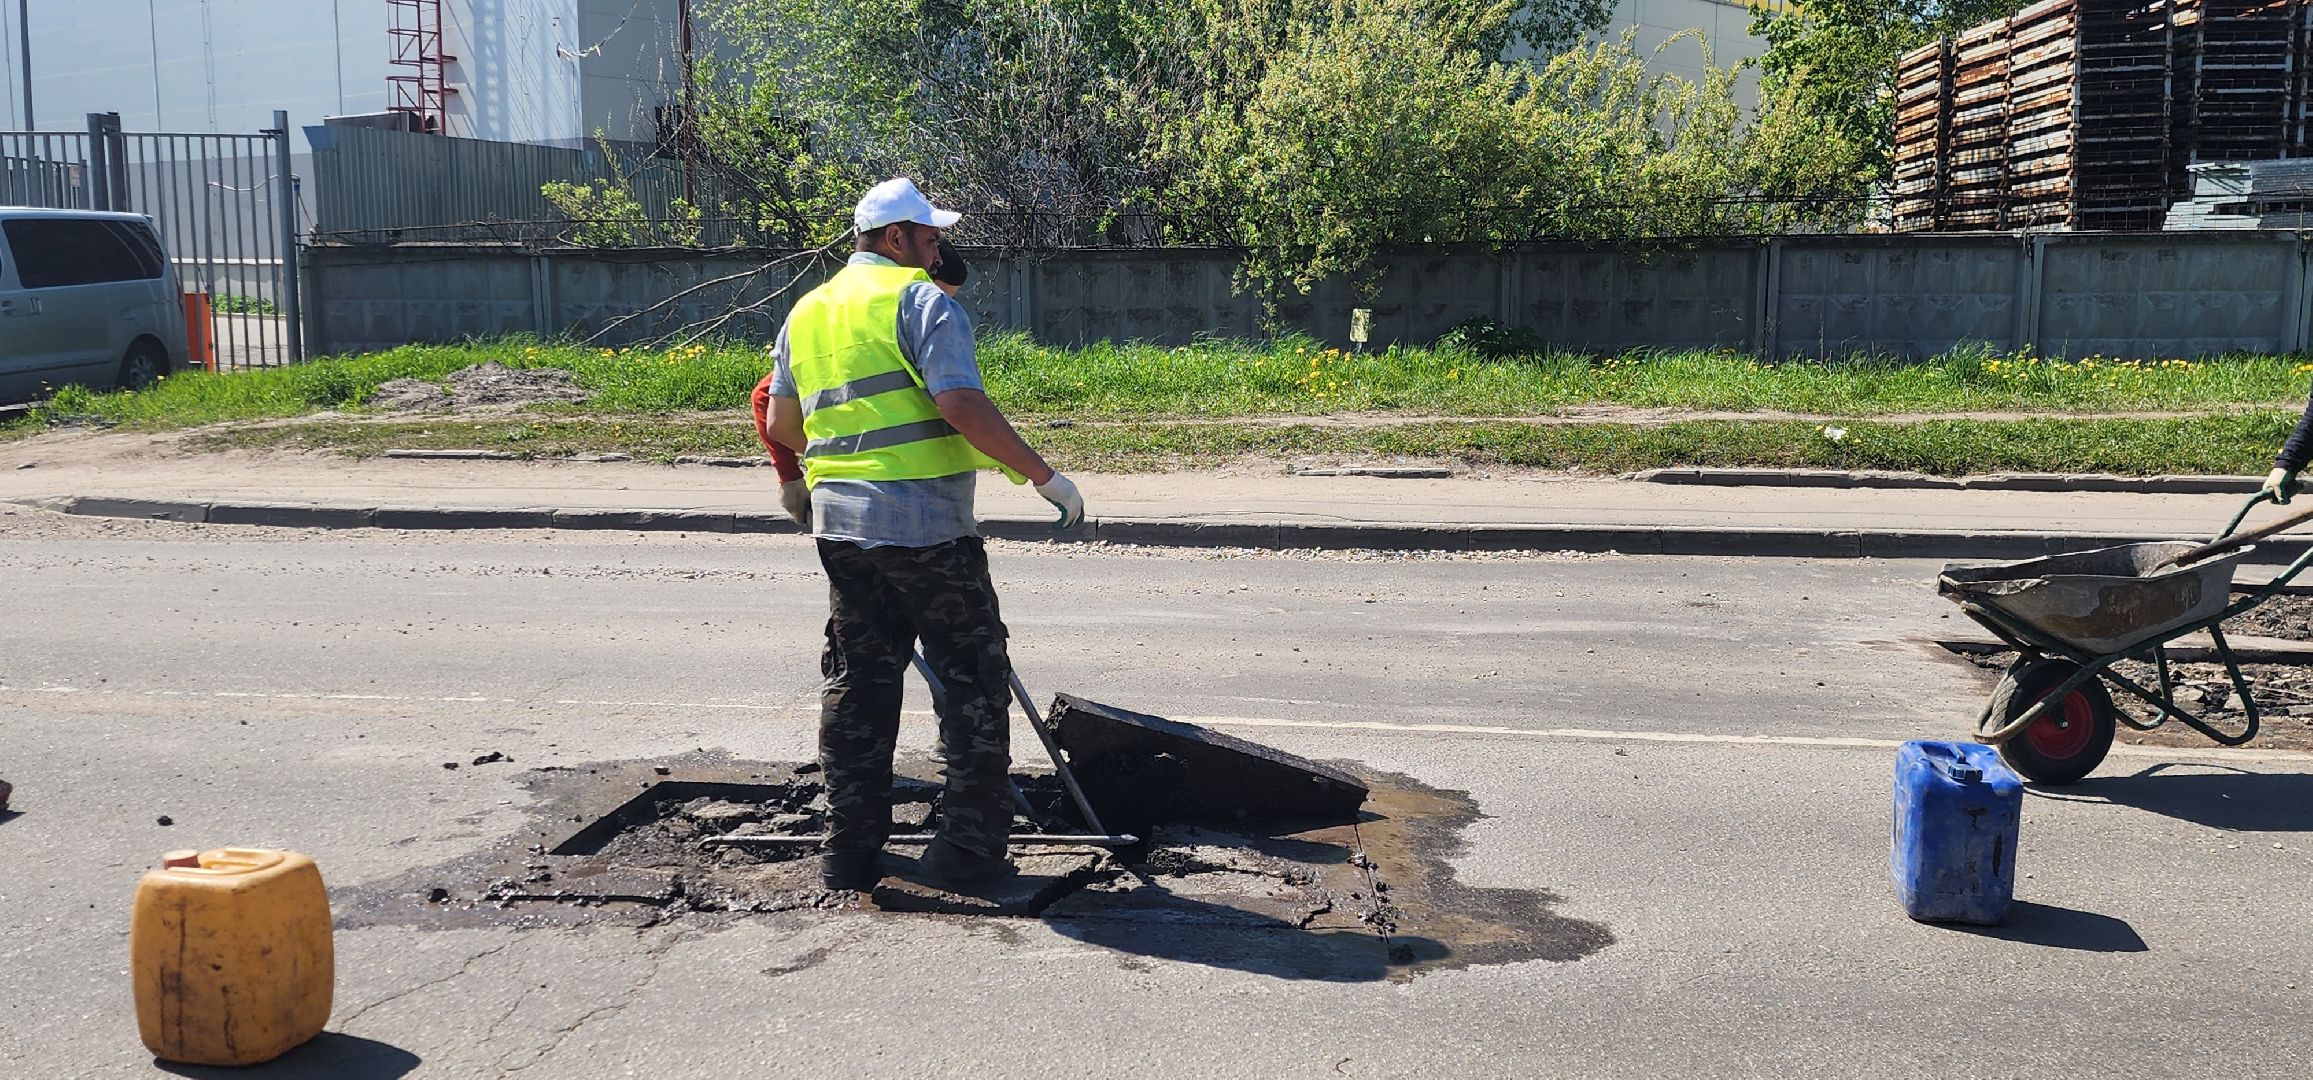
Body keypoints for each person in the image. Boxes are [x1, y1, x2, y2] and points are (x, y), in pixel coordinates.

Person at [761, 177, 1086, 891]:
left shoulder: (809, 311)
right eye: (930, 237)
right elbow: (960, 401)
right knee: (971, 680)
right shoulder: (918, 299)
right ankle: (965, 852)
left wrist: (811, 470)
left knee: (859, 682)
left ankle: (848, 851)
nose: (938, 251)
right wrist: (1043, 477)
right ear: (895, 238)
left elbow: (782, 423)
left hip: (841, 528)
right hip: (924, 528)